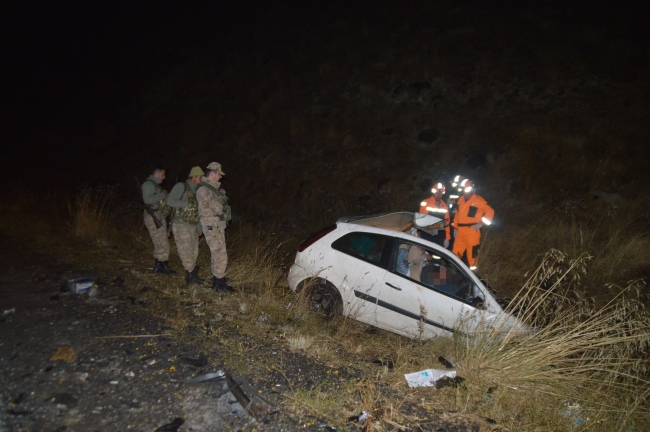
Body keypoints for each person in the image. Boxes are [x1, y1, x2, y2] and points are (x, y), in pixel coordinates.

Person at [197, 162, 235, 293]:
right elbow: (203, 211)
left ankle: (218, 279)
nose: (220, 177)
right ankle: (219, 284)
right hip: (211, 225)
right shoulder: (204, 190)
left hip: (217, 225)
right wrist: (218, 210)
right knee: (219, 253)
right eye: (219, 174)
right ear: (212, 174)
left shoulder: (213, 190)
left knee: (218, 253)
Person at [167, 166, 205, 285]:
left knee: (194, 250)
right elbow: (169, 201)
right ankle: (190, 274)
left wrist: (199, 227)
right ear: (193, 177)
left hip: (192, 225)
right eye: (199, 177)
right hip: (181, 224)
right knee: (185, 250)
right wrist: (186, 203)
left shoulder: (197, 191)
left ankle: (192, 273)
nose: (201, 180)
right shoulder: (181, 186)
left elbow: (197, 211)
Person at [452, 179, 494, 271]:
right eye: (463, 190)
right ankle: (455, 272)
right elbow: (457, 215)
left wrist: (481, 223)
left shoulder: (479, 200)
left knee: (472, 255)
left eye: (466, 190)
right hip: (460, 231)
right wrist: (455, 228)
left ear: (471, 189)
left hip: (472, 231)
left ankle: (473, 276)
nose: (465, 192)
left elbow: (490, 211)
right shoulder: (460, 200)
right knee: (455, 253)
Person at [141, 166, 175, 275]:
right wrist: (163, 195)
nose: (164, 177)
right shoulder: (148, 185)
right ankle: (163, 266)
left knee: (159, 241)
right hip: (153, 217)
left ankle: (158, 266)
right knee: (162, 242)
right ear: (156, 174)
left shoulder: (156, 186)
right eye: (162, 175)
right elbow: (147, 199)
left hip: (159, 216)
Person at [419, 182, 451, 249]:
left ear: (443, 193)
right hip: (428, 234)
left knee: (437, 257)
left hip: (440, 235)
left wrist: (447, 238)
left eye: (440, 193)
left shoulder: (445, 206)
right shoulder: (426, 202)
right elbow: (421, 220)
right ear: (433, 192)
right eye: (436, 192)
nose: (438, 195)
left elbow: (447, 223)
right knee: (426, 255)